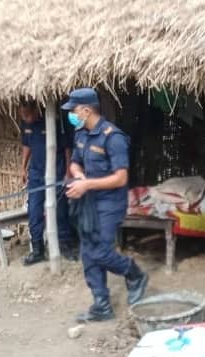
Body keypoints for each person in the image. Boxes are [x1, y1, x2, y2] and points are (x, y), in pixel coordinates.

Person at [62, 88, 148, 322]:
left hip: (110, 203)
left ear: (86, 110)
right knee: (87, 252)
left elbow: (121, 178)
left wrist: (87, 184)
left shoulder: (113, 137)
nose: (71, 114)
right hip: (88, 202)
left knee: (99, 251)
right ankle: (101, 305)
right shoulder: (81, 134)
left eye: (73, 110)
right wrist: (78, 175)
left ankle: (134, 273)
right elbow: (75, 163)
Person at [19, 101, 76, 265]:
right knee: (34, 211)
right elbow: (26, 145)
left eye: (27, 115)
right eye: (23, 115)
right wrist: (23, 168)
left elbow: (67, 148)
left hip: (56, 172)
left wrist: (67, 171)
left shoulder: (54, 122)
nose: (25, 118)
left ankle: (65, 245)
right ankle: (37, 250)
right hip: (36, 174)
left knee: (60, 210)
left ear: (35, 110)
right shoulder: (26, 125)